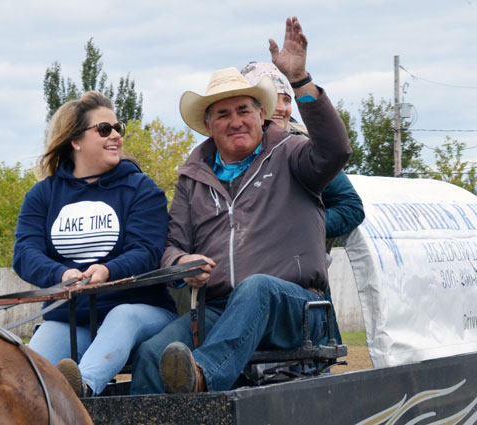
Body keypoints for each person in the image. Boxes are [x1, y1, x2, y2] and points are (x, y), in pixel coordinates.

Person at [129, 16, 351, 394]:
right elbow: (170, 248)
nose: (236, 121)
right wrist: (182, 264)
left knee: (257, 288)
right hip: (221, 311)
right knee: (154, 352)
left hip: (294, 309)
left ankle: (202, 378)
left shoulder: (291, 153)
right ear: (208, 125)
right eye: (223, 114)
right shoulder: (192, 178)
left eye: (244, 110)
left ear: (261, 115)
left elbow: (336, 150)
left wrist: (299, 81)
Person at [12, 91, 177, 397]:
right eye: (104, 129)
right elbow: (24, 253)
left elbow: (147, 251)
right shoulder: (43, 195)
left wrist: (107, 270)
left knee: (122, 316)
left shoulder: (141, 189)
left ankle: (82, 390)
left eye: (118, 128)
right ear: (75, 141)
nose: (115, 135)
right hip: (71, 317)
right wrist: (61, 275)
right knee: (26, 384)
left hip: (142, 311)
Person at [240, 61, 365, 246]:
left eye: (286, 100)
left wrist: (299, 227)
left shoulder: (304, 148)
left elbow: (351, 207)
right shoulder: (225, 153)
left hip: (297, 265)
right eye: (273, 98)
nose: (282, 108)